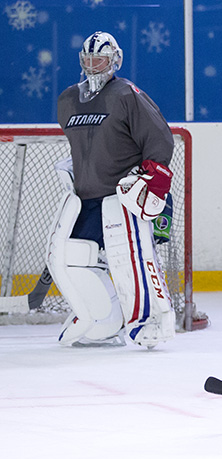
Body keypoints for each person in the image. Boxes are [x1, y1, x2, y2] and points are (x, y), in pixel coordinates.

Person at [52, 31, 176, 348]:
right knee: (74, 259)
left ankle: (148, 322)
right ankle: (104, 318)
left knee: (131, 261)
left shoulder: (127, 95)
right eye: (89, 59)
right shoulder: (68, 99)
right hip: (86, 199)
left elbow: (159, 137)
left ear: (115, 61)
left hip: (123, 198)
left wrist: (153, 180)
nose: (94, 66)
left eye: (101, 60)